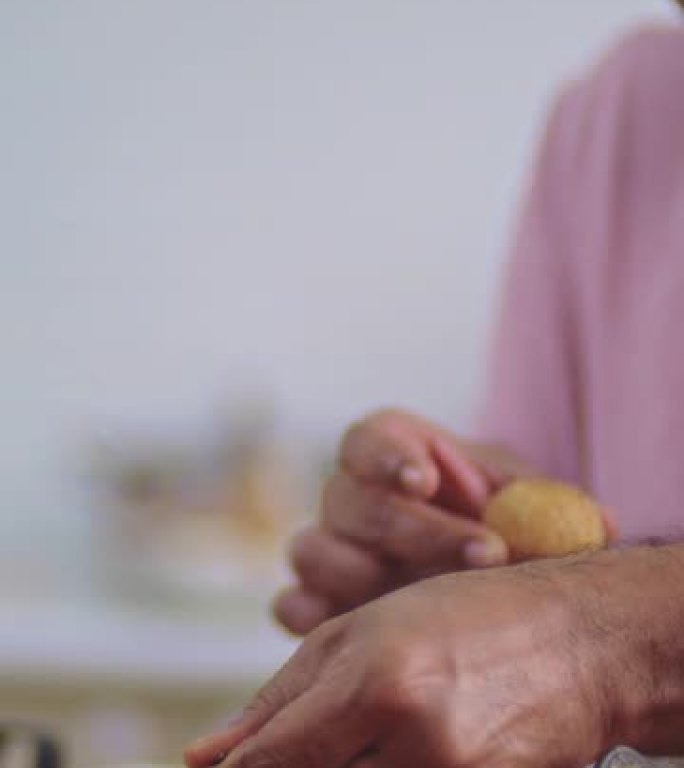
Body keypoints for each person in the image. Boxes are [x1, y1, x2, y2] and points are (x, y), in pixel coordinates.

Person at [185, 18, 684, 768]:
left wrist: (604, 636)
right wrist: (449, 564)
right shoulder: (624, 104)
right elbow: (554, 543)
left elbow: (588, 622)